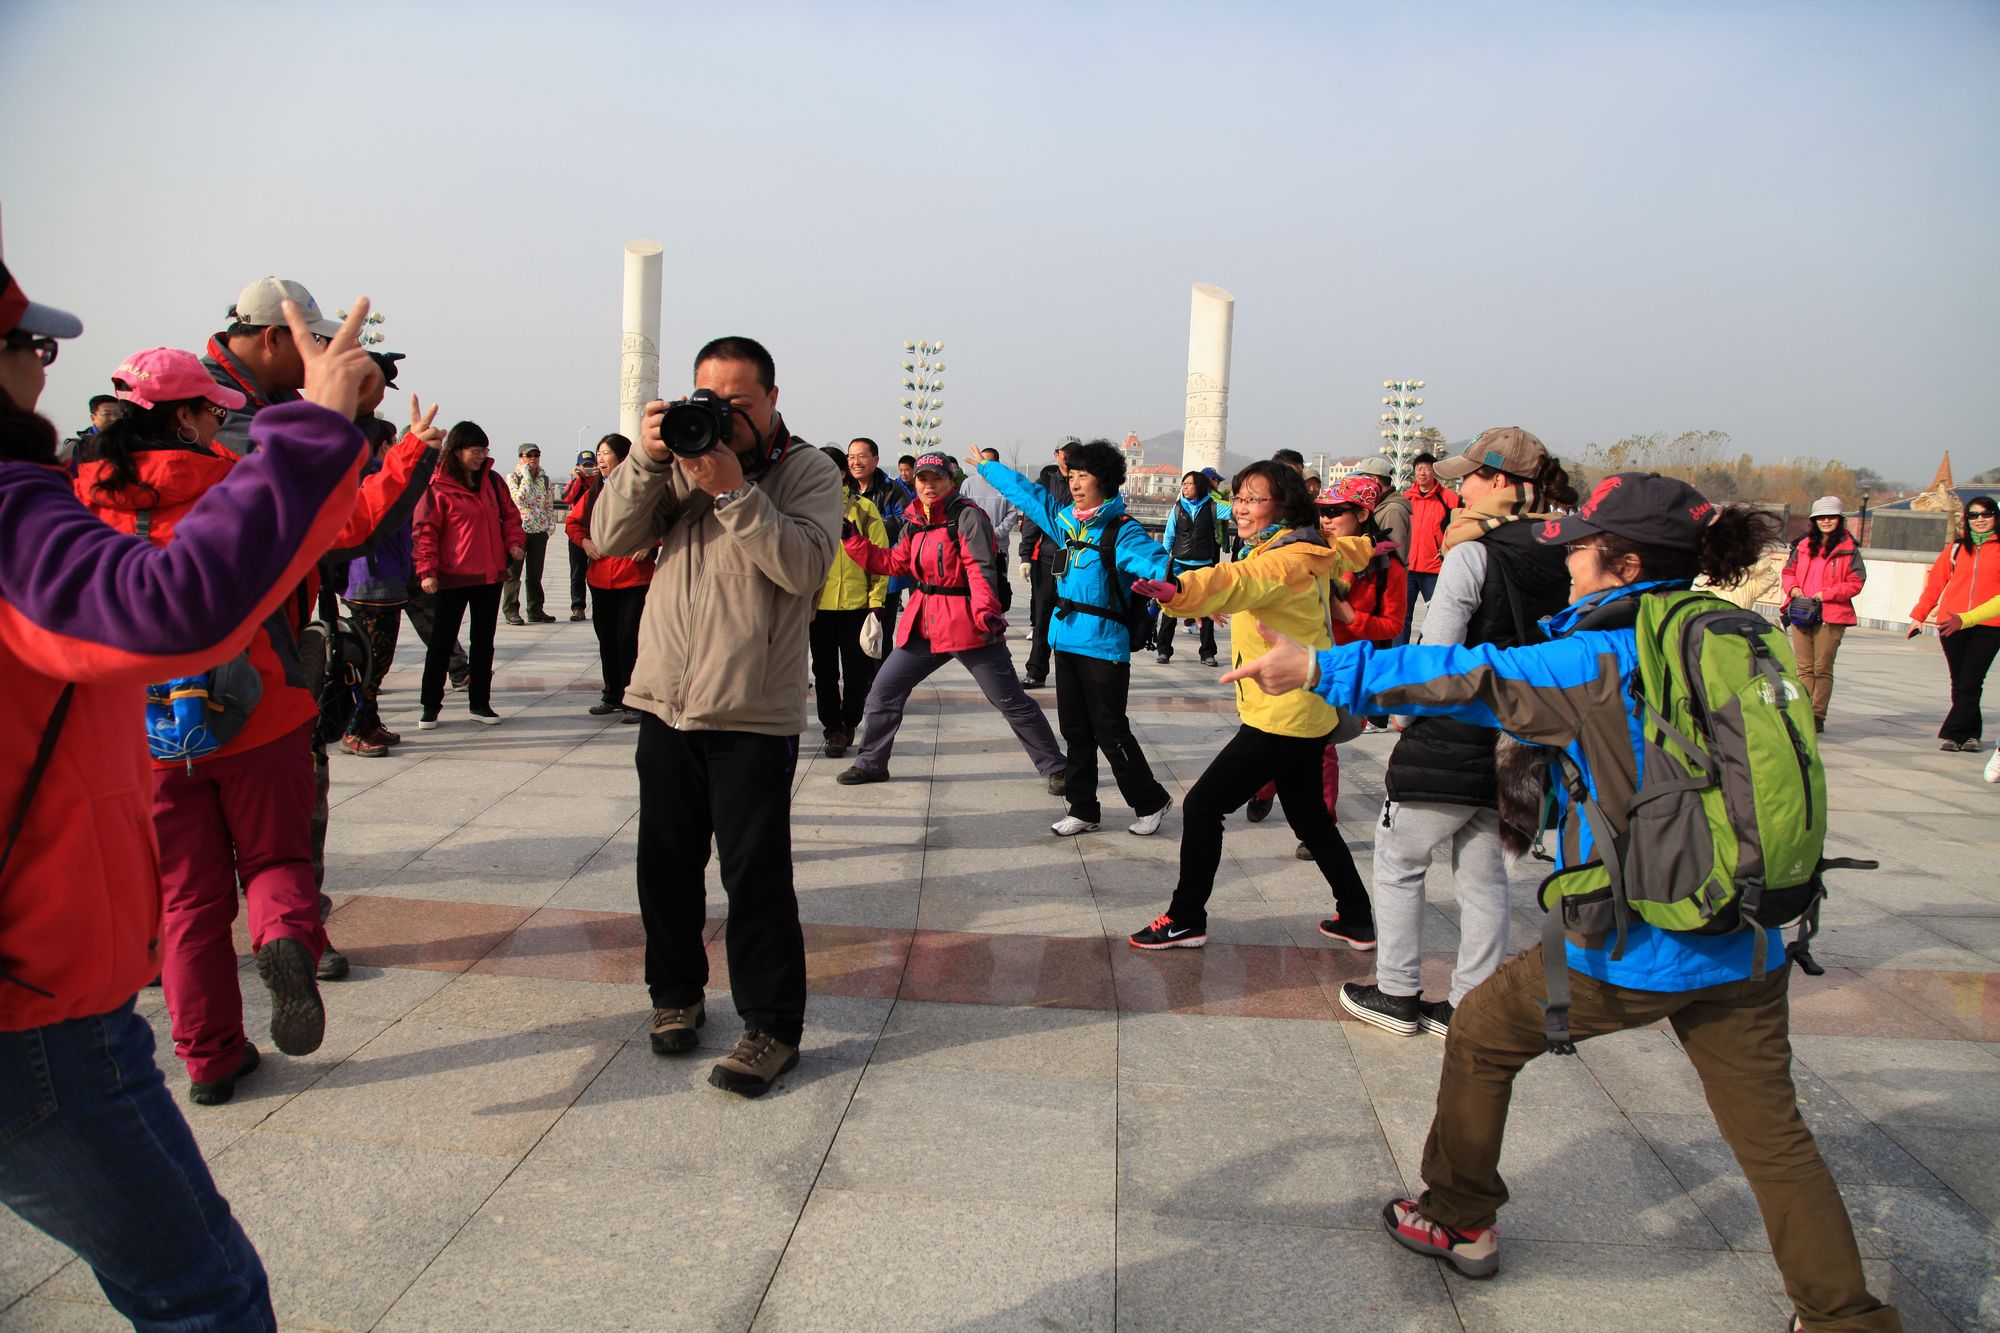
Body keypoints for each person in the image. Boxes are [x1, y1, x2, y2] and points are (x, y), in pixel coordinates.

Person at [1223, 473, 1900, 1329]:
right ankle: (1844, 1316)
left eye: (1580, 546)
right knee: (1774, 1133)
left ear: (1621, 562)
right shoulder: (1727, 632)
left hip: (1640, 933)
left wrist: (1319, 664)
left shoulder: (1602, 653)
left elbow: (1470, 674)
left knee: (1480, 1031)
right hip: (1751, 931)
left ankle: (1456, 1215)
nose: (1568, 560)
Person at [3, 265, 376, 1331]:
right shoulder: (194, 483)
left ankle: (209, 1050)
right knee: (271, 861)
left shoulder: (76, 493)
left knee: (182, 899)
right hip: (34, 993)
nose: (41, 363)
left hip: (149, 753)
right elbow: (185, 600)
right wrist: (311, 431)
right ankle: (290, 935)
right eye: (30, 345)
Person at [592, 336, 840, 1097]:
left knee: (755, 876)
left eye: (739, 403)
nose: (723, 416)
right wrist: (647, 459)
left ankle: (771, 1027)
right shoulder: (678, 463)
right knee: (663, 865)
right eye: (710, 400)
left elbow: (803, 567)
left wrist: (735, 491)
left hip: (751, 714)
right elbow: (607, 539)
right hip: (665, 700)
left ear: (770, 399)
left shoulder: (808, 471)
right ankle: (675, 996)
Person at [1337, 430, 1576, 1038]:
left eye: (1468, 476)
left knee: (1399, 861)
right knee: (1485, 875)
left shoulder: (1474, 554)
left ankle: (1396, 990)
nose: (1455, 485)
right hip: (1520, 737)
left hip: (1454, 731)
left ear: (1500, 482)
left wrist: (1403, 718)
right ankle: (1472, 1002)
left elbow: (1437, 653)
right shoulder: (1569, 555)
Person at [1125, 461, 1376, 951]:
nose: (1241, 507)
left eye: (1255, 499)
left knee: (1202, 806)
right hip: (1307, 708)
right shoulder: (1307, 546)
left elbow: (1238, 579)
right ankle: (1358, 916)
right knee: (1310, 819)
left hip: (1283, 715)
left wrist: (1181, 591)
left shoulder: (1283, 557)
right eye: (1239, 497)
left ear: (1284, 505)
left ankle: (1185, 917)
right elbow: (1348, 549)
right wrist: (1374, 545)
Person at [973, 440, 1175, 836]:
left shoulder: (1122, 530)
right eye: (1074, 475)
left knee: (1110, 729)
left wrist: (1193, 592)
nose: (1077, 483)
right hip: (1064, 640)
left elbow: (1158, 563)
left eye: (1086, 476)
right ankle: (1083, 809)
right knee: (1075, 731)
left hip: (1103, 645)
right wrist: (989, 469)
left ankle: (1150, 800)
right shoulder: (1065, 520)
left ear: (1107, 480)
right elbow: (1030, 498)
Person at [834, 452, 1068, 791]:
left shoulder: (967, 516)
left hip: (968, 623)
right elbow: (894, 563)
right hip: (924, 623)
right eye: (923, 480)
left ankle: (1056, 766)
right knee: (883, 693)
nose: (929, 486)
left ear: (951, 482)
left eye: (937, 479)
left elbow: (979, 568)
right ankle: (871, 763)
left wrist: (987, 612)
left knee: (1010, 700)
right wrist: (851, 539)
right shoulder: (914, 520)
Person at [413, 421, 525, 729]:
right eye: (475, 450)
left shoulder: (493, 482)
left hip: (488, 575)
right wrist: (427, 570)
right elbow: (425, 530)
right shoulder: (438, 485)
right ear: (457, 451)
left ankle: (480, 703)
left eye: (484, 450)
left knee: (483, 643)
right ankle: (430, 706)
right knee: (441, 643)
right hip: (452, 575)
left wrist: (514, 542)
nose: (480, 456)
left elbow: (510, 515)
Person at [339, 417, 425, 757]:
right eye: (391, 443)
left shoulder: (378, 476)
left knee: (379, 661)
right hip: (370, 581)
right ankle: (353, 728)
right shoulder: (371, 477)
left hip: (388, 579)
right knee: (369, 662)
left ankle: (369, 720)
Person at [567, 432, 654, 721]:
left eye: (605, 453)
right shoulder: (594, 491)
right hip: (601, 576)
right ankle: (612, 694)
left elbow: (667, 521)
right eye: (599, 453)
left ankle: (635, 700)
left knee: (629, 638)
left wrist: (650, 543)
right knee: (607, 638)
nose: (600, 459)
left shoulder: (641, 488)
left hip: (634, 577)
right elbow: (573, 523)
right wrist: (585, 543)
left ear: (623, 456)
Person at [202, 276, 344, 452]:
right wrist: (333, 408)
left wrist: (363, 414)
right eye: (312, 338)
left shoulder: (277, 388)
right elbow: (284, 468)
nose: (319, 352)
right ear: (273, 339)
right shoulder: (206, 393)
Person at [812, 445, 889, 757]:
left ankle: (850, 720)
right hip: (819, 607)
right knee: (824, 671)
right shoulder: (806, 509)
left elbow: (881, 560)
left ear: (842, 473)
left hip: (857, 606)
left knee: (857, 672)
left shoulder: (864, 510)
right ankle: (832, 729)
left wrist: (876, 601)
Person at [1909, 493, 2000, 752]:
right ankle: (1971, 734)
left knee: (1971, 679)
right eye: (1973, 515)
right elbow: (1935, 585)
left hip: (1991, 625)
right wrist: (1919, 615)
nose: (1980, 520)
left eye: (1986, 514)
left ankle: (1955, 733)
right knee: (1959, 679)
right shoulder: (1957, 549)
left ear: (1995, 517)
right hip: (1952, 622)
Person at [1781, 496, 1866, 733]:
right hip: (1801, 611)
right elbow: (1788, 572)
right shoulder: (1803, 545)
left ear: (1839, 520)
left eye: (1830, 517)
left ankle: (1817, 715)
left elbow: (1856, 582)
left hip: (1831, 614)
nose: (1826, 521)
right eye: (1821, 517)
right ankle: (1802, 711)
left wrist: (1827, 594)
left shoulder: (1849, 549)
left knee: (1822, 668)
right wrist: (1793, 588)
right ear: (1814, 520)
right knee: (1804, 668)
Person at [1157, 469, 1232, 665]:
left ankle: (1207, 652)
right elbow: (1169, 537)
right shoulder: (1177, 509)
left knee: (1207, 609)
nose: (1185, 487)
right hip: (1179, 564)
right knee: (1170, 608)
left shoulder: (1213, 507)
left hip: (1204, 566)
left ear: (1200, 486)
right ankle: (1163, 650)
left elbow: (1235, 511)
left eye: (1189, 484)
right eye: (1184, 484)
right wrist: (1163, 562)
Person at [1016, 457, 1070, 687]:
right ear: (1057, 454)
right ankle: (1036, 670)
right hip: (1048, 558)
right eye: (1065, 452)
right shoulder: (1046, 481)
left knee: (1073, 618)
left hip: (1078, 560)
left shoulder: (1089, 479)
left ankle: (1071, 674)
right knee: (1043, 616)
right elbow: (1032, 517)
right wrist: (1026, 555)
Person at [1399, 452, 1461, 645]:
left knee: (1436, 615)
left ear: (1434, 472)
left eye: (1427, 468)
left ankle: (1423, 650)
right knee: (1402, 616)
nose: (1422, 472)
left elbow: (1458, 530)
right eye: (1419, 468)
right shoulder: (1405, 498)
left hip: (1434, 568)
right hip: (1408, 567)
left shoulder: (1449, 499)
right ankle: (1398, 655)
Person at [502, 442, 560, 625]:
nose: (533, 459)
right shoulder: (513, 478)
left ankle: (535, 609)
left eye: (536, 455)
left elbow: (549, 504)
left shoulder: (544, 479)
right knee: (514, 573)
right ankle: (511, 610)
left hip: (538, 531)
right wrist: (526, 475)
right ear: (521, 458)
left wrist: (549, 527)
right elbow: (519, 498)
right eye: (529, 456)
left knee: (535, 574)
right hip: (519, 531)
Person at [561, 448, 597, 620]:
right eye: (585, 466)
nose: (588, 469)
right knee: (577, 573)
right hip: (577, 533)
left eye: (591, 465)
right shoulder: (576, 482)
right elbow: (566, 498)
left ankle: (598, 605)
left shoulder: (600, 482)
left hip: (596, 532)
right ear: (578, 467)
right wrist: (577, 479)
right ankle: (578, 607)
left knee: (595, 572)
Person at [56, 392, 122, 467]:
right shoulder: (77, 447)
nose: (113, 418)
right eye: (107, 414)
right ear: (93, 418)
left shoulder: (129, 442)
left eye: (117, 414)